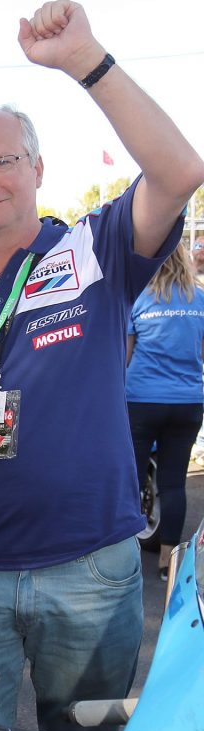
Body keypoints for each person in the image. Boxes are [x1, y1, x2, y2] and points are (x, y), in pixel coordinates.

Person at [0, 0, 204, 731]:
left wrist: (86, 61)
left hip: (91, 566)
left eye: (1, 160)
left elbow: (180, 170)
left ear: (38, 168)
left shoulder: (94, 248)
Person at [126, 243, 204, 579]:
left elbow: (124, 357)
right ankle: (167, 563)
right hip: (188, 403)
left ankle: (125, 555)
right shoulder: (199, 300)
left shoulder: (139, 298)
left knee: (130, 477)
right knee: (173, 484)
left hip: (142, 399)